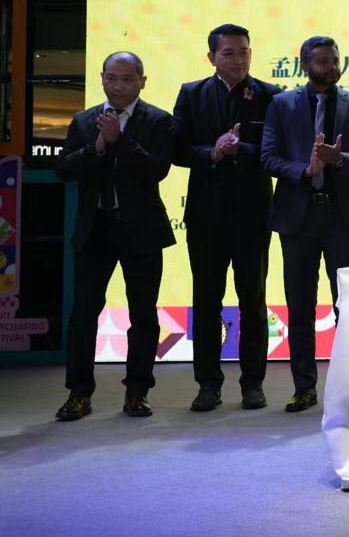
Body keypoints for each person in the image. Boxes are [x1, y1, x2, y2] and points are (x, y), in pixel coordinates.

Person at [54, 52, 175, 421]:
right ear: (102, 78)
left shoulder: (158, 120)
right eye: (111, 78)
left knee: (143, 314)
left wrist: (120, 140)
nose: (118, 86)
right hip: (95, 229)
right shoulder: (84, 120)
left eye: (126, 79)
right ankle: (79, 393)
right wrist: (98, 146)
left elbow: (157, 169)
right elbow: (65, 168)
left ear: (142, 81)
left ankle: (137, 391)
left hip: (141, 229)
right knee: (83, 313)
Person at [261, 36, 349, 413]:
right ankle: (304, 387)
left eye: (335, 60)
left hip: (343, 217)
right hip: (298, 216)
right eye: (323, 61)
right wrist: (306, 169)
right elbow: (268, 157)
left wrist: (339, 159)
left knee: (348, 307)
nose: (331, 67)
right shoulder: (282, 104)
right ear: (305, 65)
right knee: (300, 305)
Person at [172, 24, 282, 412]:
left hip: (253, 213)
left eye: (244, 52)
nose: (238, 60)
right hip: (206, 214)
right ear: (212, 57)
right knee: (206, 300)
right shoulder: (191, 93)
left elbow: (275, 150)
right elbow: (176, 149)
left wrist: (242, 149)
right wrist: (213, 152)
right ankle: (208, 384)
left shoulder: (270, 95)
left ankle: (253, 383)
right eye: (229, 53)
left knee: (253, 299)